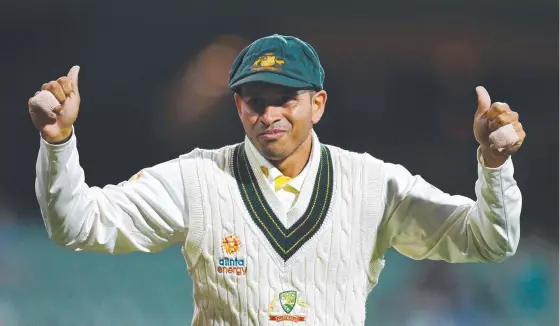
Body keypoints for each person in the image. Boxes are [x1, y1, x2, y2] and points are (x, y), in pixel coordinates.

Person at [29, 34, 526, 325]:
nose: (268, 113)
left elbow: (489, 240)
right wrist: (58, 143)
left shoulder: (374, 184)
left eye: (284, 97)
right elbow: (77, 225)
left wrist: (494, 165)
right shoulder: (197, 178)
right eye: (254, 98)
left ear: (318, 103)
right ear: (238, 105)